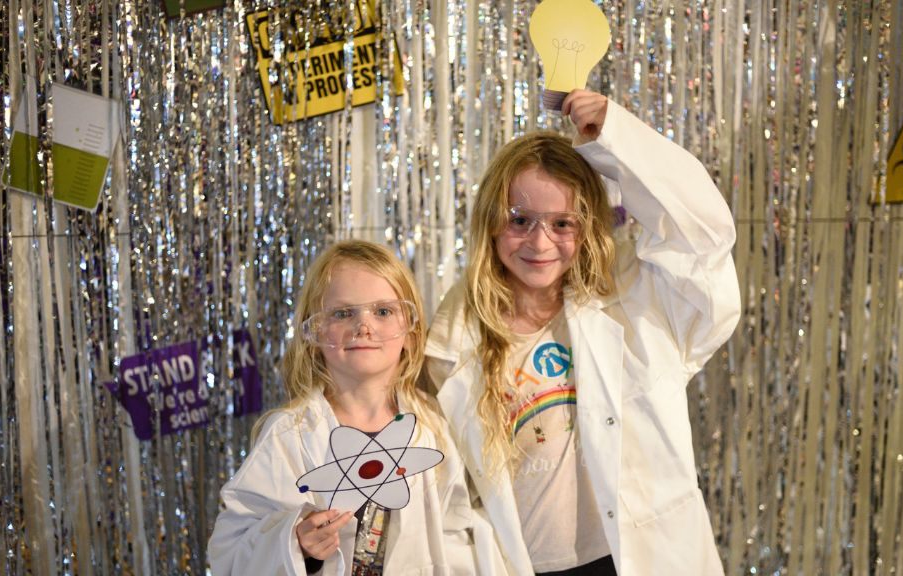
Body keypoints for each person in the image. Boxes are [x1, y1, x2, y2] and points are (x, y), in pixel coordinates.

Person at [424, 90, 740, 575]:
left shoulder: (639, 300)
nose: (540, 241)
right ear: (490, 222)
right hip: (522, 562)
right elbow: (445, 491)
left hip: (641, 556)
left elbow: (703, 235)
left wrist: (616, 137)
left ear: (587, 223)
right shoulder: (455, 335)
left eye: (562, 223)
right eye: (520, 220)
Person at [209, 240, 503, 575]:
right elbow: (229, 549)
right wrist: (296, 542)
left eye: (382, 311)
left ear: (410, 331)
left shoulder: (432, 430)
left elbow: (455, 533)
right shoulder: (289, 435)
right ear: (313, 331)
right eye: (343, 313)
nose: (364, 326)